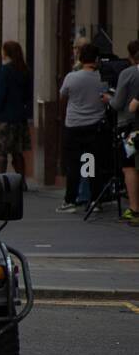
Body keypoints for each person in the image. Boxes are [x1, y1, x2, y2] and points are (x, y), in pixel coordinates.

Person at [55, 44, 109, 213]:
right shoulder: (102, 78)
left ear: (80, 58)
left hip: (74, 125)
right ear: (97, 59)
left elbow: (62, 95)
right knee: (92, 163)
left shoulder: (72, 77)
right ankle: (94, 199)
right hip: (94, 125)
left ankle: (70, 200)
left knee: (73, 164)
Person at [0, 40, 33, 176]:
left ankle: (0, 180)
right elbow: (27, 95)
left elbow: (0, 93)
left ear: (6, 53)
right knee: (17, 152)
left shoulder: (4, 70)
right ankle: (21, 181)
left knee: (1, 152)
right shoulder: (24, 70)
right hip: (19, 118)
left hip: (4, 118)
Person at [113, 39, 139, 224]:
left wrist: (108, 98)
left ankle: (134, 208)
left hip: (131, 128)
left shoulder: (128, 74)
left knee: (128, 165)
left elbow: (124, 104)